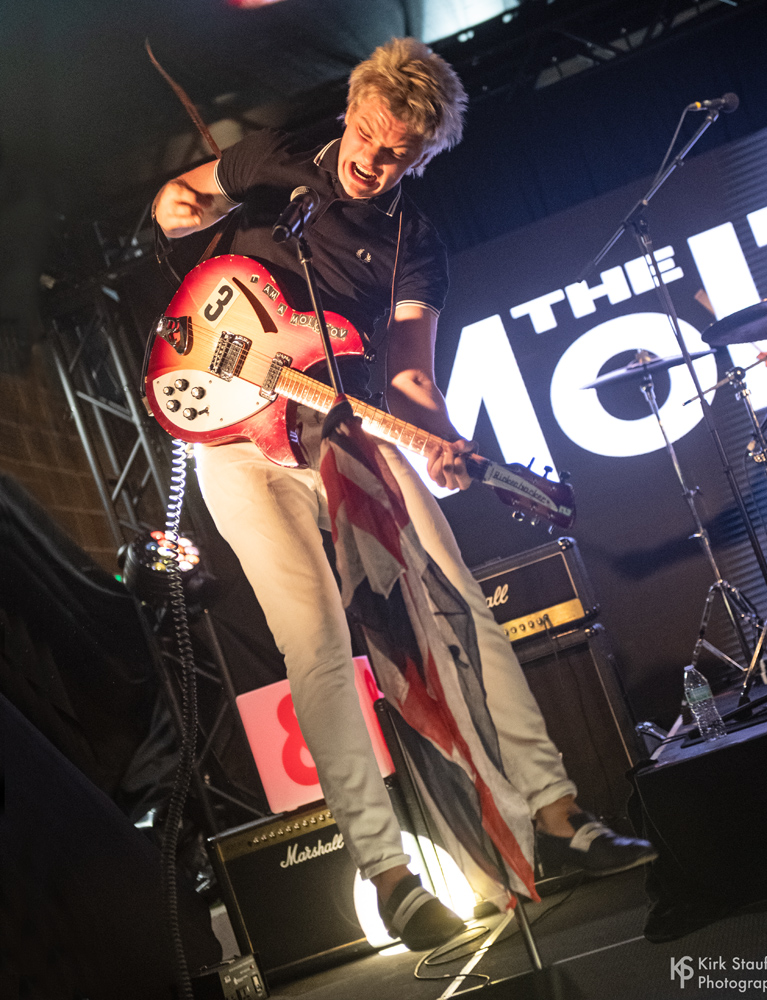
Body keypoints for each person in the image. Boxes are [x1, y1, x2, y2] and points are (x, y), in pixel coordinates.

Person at [153, 37, 655, 950]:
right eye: (370, 136)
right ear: (352, 109)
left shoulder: (413, 245)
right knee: (315, 644)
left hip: (343, 429)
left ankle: (558, 815)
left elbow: (413, 380)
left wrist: (445, 445)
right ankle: (388, 876)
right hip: (233, 442)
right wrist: (178, 212)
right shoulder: (273, 159)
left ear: (421, 158)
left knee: (459, 598)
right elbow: (184, 197)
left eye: (398, 155)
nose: (374, 162)